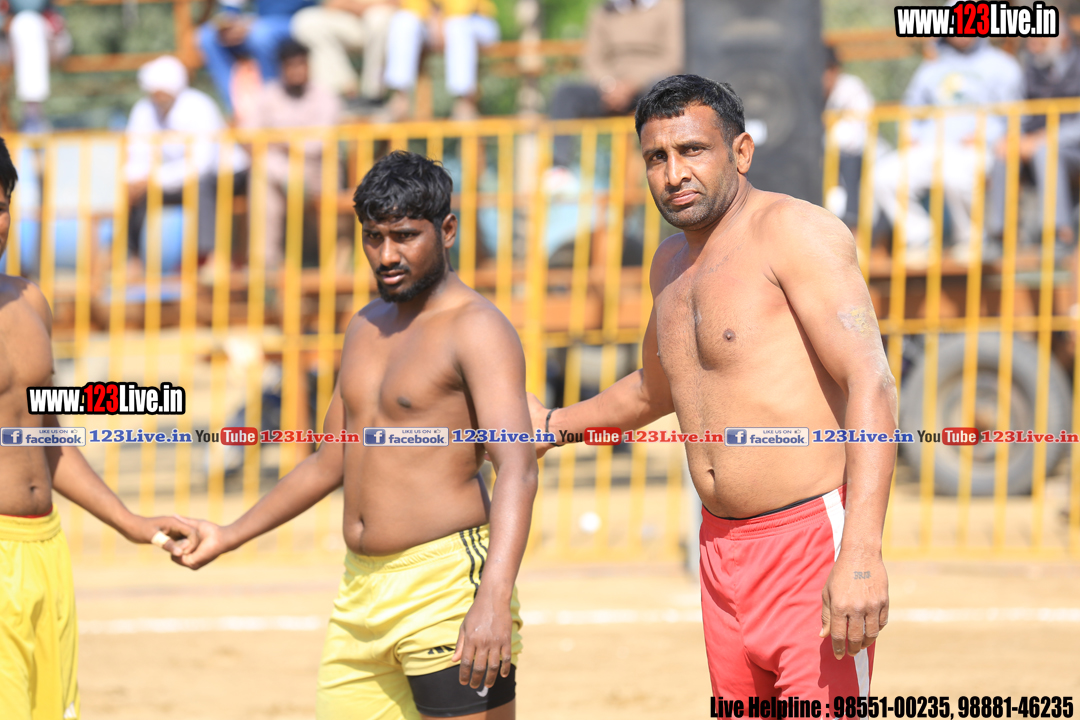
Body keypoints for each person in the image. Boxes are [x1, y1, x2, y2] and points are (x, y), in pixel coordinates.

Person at [530, 75, 895, 701]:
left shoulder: (793, 231)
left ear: (741, 152)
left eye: (692, 150)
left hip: (808, 544)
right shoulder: (669, 264)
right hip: (719, 554)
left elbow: (872, 381)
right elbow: (653, 390)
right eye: (657, 157)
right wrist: (550, 427)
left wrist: (861, 552)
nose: (674, 174)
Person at [177, 151, 538, 720]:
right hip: (358, 593)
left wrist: (492, 596)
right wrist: (229, 534)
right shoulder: (365, 326)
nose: (387, 255)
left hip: (446, 587)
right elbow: (329, 461)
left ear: (447, 230)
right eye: (374, 237)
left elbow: (517, 467)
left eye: (405, 236)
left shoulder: (477, 328)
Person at [0, 136, 199, 720]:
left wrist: (129, 521)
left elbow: (47, 439)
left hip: (45, 549)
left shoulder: (30, 302)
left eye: (0, 206)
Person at [873, 31, 1023, 266]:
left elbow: (1013, 115)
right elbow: (911, 108)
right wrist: (910, 135)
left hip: (976, 147)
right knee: (884, 175)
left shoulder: (1003, 65)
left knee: (955, 174)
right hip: (931, 145)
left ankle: (971, 240)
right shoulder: (931, 67)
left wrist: (987, 135)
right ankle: (919, 239)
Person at [124, 55, 249, 271]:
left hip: (226, 173)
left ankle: (209, 258)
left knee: (201, 186)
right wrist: (134, 181)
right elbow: (137, 153)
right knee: (133, 194)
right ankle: (132, 259)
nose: (157, 96)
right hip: (179, 177)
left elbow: (202, 165)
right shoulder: (144, 110)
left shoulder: (199, 106)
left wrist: (151, 179)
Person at [547, 0, 683, 175]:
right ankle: (559, 169)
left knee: (664, 90)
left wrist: (633, 84)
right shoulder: (603, 12)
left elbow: (673, 59)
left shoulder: (669, 8)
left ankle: (667, 162)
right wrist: (609, 85)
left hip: (649, 86)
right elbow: (592, 59)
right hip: (609, 89)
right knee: (566, 93)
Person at [241, 39, 341, 268]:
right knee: (263, 173)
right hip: (277, 172)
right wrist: (285, 144)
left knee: (264, 172)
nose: (297, 71)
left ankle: (265, 261)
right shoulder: (268, 95)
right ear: (281, 68)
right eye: (291, 65)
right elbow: (248, 137)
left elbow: (317, 146)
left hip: (317, 172)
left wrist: (277, 141)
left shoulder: (325, 97)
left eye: (301, 64)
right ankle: (266, 264)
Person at [987, 28, 1080, 250]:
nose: (1032, 46)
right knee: (1005, 151)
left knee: (1045, 152)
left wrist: (1045, 139)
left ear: (1063, 41)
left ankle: (1060, 233)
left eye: (1040, 42)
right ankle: (998, 236)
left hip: (1070, 149)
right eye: (1031, 41)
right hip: (1038, 147)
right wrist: (1013, 137)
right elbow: (1019, 113)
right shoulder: (1030, 70)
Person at [382, 0, 500, 121]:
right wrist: (432, 18)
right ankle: (400, 97)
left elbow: (463, 7)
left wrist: (440, 20)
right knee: (403, 21)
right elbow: (411, 5)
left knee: (458, 26)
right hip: (433, 21)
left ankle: (465, 103)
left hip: (475, 20)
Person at [198, 0, 316, 114]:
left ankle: (270, 106)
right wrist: (230, 23)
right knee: (207, 36)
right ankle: (237, 110)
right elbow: (231, 7)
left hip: (295, 19)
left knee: (260, 35)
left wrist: (252, 24)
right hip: (257, 21)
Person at [290, 0, 395, 111]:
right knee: (306, 22)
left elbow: (394, 3)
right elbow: (332, 5)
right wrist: (354, 7)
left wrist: (359, 7)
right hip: (350, 20)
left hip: (383, 20)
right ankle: (342, 94)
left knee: (378, 19)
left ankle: (373, 95)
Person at [823, 45, 875, 230]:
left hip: (861, 160)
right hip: (833, 163)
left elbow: (854, 139)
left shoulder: (851, 88)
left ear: (834, 69)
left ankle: (854, 229)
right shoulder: (816, 95)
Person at [0, 0, 71, 132]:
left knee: (27, 24)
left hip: (48, 36)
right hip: (6, 42)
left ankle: (32, 114)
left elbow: (31, 5)